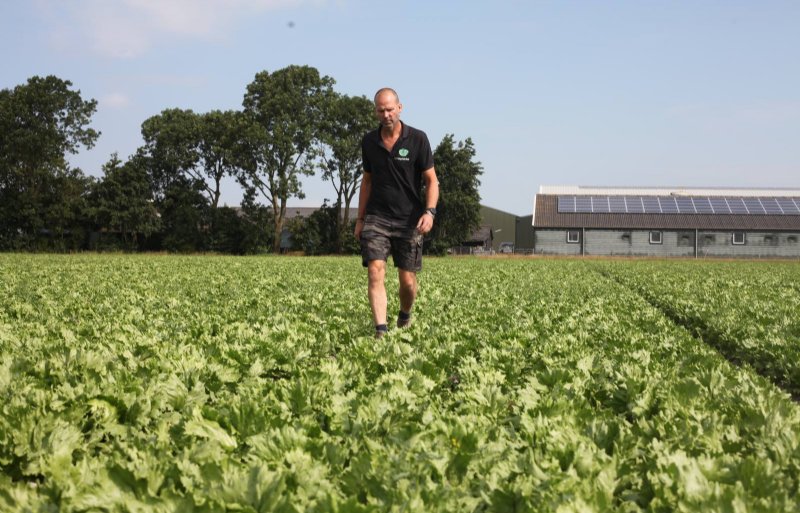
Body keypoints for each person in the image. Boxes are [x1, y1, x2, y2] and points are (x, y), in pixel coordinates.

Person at [355, 87, 439, 338]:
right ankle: (380, 331)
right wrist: (360, 219)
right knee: (375, 269)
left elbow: (431, 180)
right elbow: (366, 181)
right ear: (375, 112)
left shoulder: (418, 139)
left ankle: (404, 314)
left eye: (390, 109)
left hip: (409, 220)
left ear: (400, 108)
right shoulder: (369, 141)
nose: (386, 114)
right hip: (377, 217)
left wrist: (430, 212)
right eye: (381, 110)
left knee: (408, 282)